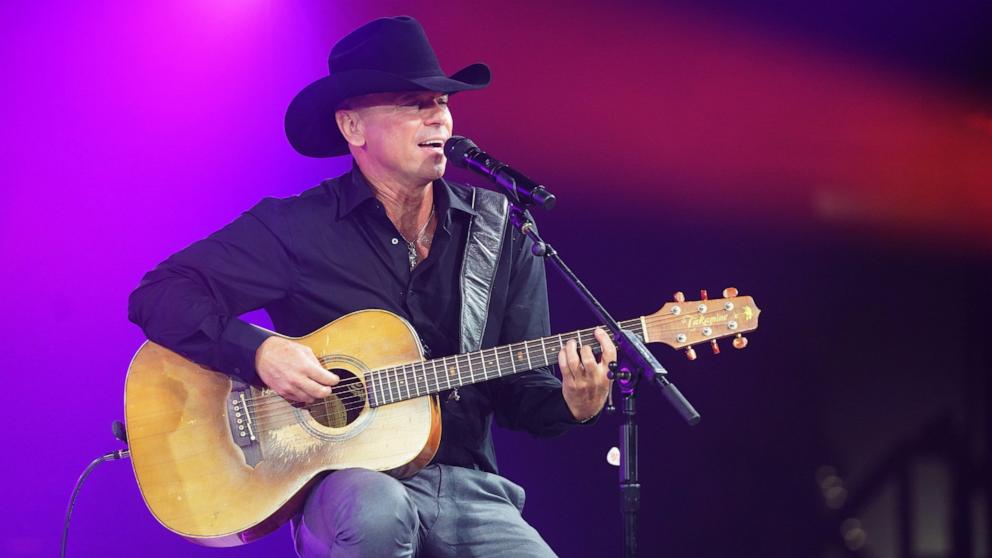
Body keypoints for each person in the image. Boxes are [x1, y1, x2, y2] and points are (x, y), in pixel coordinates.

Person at [128, 16, 615, 558]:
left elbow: (524, 398)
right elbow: (160, 292)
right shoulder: (296, 229)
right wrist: (259, 352)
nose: (439, 117)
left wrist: (577, 403)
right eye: (414, 102)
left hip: (470, 490)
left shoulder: (497, 228)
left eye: (444, 103)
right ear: (353, 128)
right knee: (377, 511)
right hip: (346, 487)